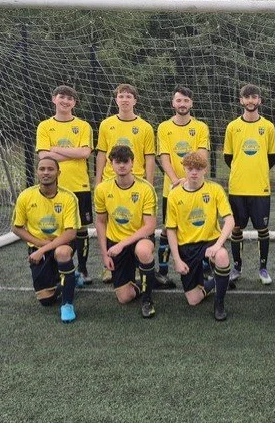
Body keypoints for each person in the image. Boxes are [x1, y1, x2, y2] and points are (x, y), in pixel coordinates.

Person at [95, 84, 156, 283]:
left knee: (135, 222)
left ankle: (138, 263)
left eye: (129, 96)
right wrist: (97, 181)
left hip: (136, 183)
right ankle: (109, 263)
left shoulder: (145, 127)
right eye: (121, 96)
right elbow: (101, 154)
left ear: (135, 100)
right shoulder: (106, 124)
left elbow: (149, 157)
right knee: (111, 223)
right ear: (116, 100)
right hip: (110, 181)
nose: (125, 99)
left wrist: (148, 182)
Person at [36, 85, 93, 285]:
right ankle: (59, 268)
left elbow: (85, 153)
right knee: (57, 228)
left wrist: (55, 150)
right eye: (62, 97)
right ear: (54, 99)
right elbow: (44, 156)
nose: (65, 101)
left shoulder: (83, 126)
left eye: (70, 99)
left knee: (81, 228)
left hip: (79, 185)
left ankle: (83, 270)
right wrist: (72, 152)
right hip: (54, 187)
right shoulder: (44, 126)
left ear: (74, 103)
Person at [166, 152, 234, 320]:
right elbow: (171, 230)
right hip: (187, 246)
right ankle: (217, 281)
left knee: (222, 256)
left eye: (198, 168)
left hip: (210, 241)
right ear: (184, 169)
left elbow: (230, 221)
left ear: (205, 170)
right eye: (190, 169)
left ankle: (219, 304)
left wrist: (217, 245)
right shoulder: (174, 194)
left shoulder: (215, 189)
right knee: (193, 300)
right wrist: (177, 259)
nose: (194, 172)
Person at [12, 157, 80, 323]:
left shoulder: (69, 197)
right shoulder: (25, 196)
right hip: (38, 246)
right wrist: (41, 245)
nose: (46, 173)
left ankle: (67, 304)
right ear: (37, 172)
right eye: (42, 169)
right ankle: (69, 277)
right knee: (46, 300)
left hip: (62, 243)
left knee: (62, 252)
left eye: (50, 169)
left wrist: (44, 249)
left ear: (58, 173)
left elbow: (71, 233)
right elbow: (16, 228)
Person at [94, 145, 158, 319]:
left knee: (143, 250)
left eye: (125, 161)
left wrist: (122, 244)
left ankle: (147, 300)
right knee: (124, 297)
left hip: (140, 238)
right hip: (115, 242)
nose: (121, 165)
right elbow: (100, 222)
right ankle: (147, 280)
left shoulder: (145, 188)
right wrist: (105, 255)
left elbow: (150, 226)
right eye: (117, 162)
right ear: (111, 164)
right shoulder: (102, 189)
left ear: (132, 163)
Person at [156, 86, 211, 288]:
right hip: (171, 189)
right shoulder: (164, 127)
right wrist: (176, 181)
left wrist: (189, 182)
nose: (182, 104)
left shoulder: (201, 127)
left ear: (191, 103)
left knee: (199, 226)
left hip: (196, 187)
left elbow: (201, 157)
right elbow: (164, 158)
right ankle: (162, 271)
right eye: (179, 100)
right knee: (167, 229)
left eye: (186, 101)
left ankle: (204, 269)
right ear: (173, 103)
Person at [223, 84, 275, 286]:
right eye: (247, 97)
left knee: (263, 229)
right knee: (236, 228)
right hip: (237, 188)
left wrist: (257, 170)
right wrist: (242, 171)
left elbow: (272, 157)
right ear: (241, 101)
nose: (251, 101)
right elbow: (228, 157)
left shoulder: (268, 127)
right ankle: (237, 267)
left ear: (259, 101)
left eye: (254, 97)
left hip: (260, 188)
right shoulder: (232, 127)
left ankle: (263, 268)